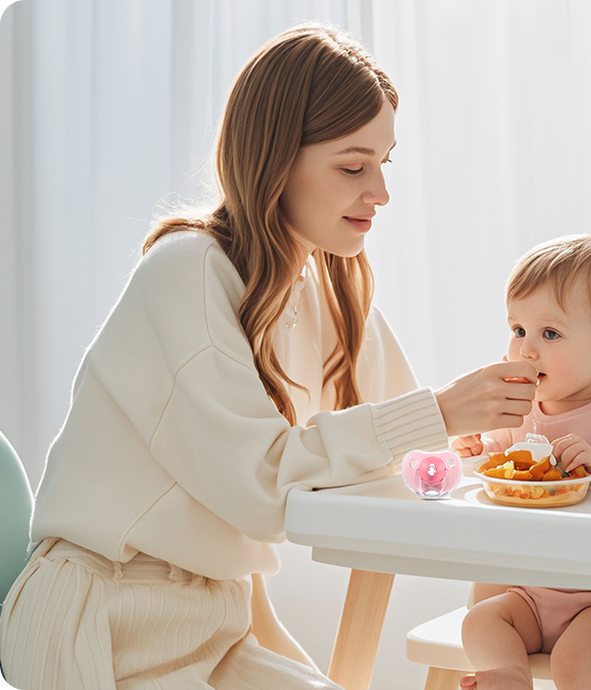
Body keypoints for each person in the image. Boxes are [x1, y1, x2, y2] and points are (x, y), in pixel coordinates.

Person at [0, 25, 538, 689]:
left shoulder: (330, 293)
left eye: (384, 163)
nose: (381, 193)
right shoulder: (189, 272)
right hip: (102, 623)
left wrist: (521, 438)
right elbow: (261, 486)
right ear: (278, 159)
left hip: (215, 624)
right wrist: (443, 410)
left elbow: (416, 446)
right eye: (352, 166)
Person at [453, 235, 591, 690]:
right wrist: (475, 451)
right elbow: (497, 469)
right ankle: (509, 679)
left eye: (550, 334)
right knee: (479, 622)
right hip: (530, 590)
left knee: (573, 665)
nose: (525, 350)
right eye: (518, 329)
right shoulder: (515, 410)